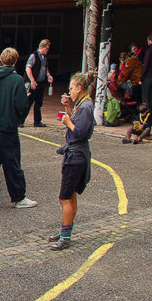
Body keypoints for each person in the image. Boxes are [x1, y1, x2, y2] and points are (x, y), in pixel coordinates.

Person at [0, 49, 35, 210]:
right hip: (8, 128)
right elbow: (22, 105)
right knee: (12, 164)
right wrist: (19, 117)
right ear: (15, 61)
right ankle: (18, 196)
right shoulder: (17, 80)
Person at [51, 73, 95, 251]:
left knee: (65, 197)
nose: (69, 91)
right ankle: (65, 231)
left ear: (79, 87)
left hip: (76, 156)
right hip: (76, 154)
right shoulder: (81, 104)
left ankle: (65, 235)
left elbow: (80, 133)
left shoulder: (86, 106)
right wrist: (68, 109)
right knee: (70, 195)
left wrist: (68, 122)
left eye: (71, 88)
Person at [24, 39, 52, 127]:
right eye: (47, 48)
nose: (48, 50)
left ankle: (37, 121)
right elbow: (28, 68)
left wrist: (48, 75)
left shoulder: (44, 57)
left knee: (39, 102)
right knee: (29, 102)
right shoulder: (34, 56)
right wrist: (32, 80)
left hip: (41, 82)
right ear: (42, 47)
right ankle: (20, 120)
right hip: (33, 82)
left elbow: (45, 67)